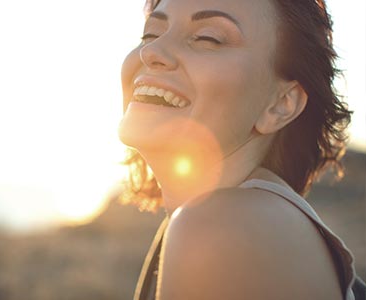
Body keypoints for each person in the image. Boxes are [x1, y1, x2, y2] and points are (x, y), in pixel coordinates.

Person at [118, 0, 365, 299]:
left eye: (208, 37)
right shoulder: (238, 222)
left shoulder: (224, 228)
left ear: (280, 104)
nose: (151, 52)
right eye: (151, 34)